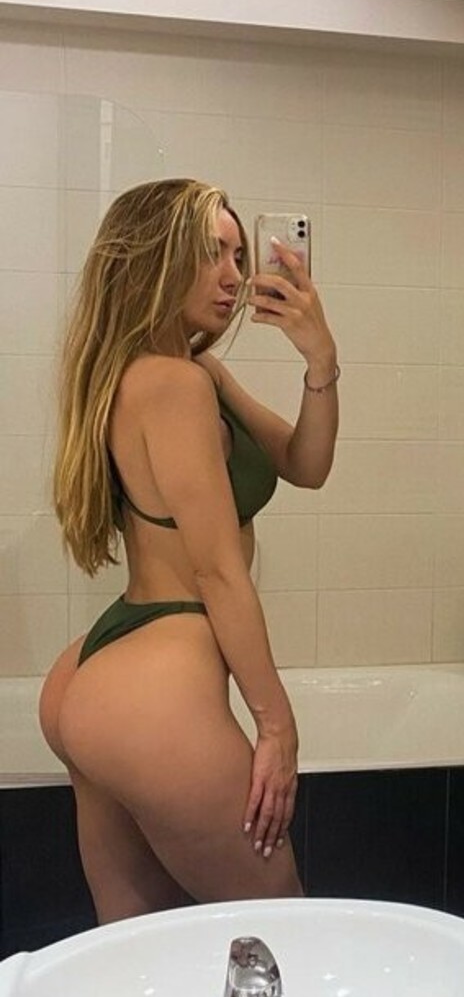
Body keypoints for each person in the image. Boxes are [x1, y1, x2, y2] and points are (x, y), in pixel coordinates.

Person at [39, 179, 339, 923]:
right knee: (283, 934)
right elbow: (216, 571)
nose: (233, 276)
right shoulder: (173, 384)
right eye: (211, 253)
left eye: (238, 254)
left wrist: (319, 359)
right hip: (158, 691)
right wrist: (276, 725)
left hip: (100, 672)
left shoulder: (184, 371)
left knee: (136, 948)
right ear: (155, 258)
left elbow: (305, 464)